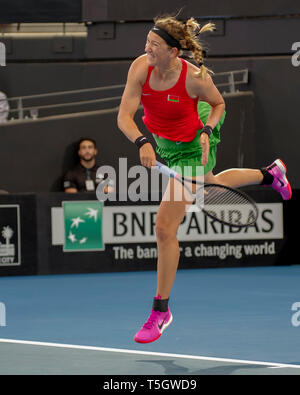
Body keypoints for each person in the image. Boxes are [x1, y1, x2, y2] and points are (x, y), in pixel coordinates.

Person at [117, 15, 292, 344]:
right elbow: (124, 116)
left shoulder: (195, 78)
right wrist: (141, 142)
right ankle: (271, 174)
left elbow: (218, 104)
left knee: (164, 227)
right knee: (211, 189)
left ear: (173, 51)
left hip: (195, 142)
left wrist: (208, 133)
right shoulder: (141, 67)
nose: (146, 49)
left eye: (154, 45)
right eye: (147, 43)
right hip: (163, 139)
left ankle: (160, 310)